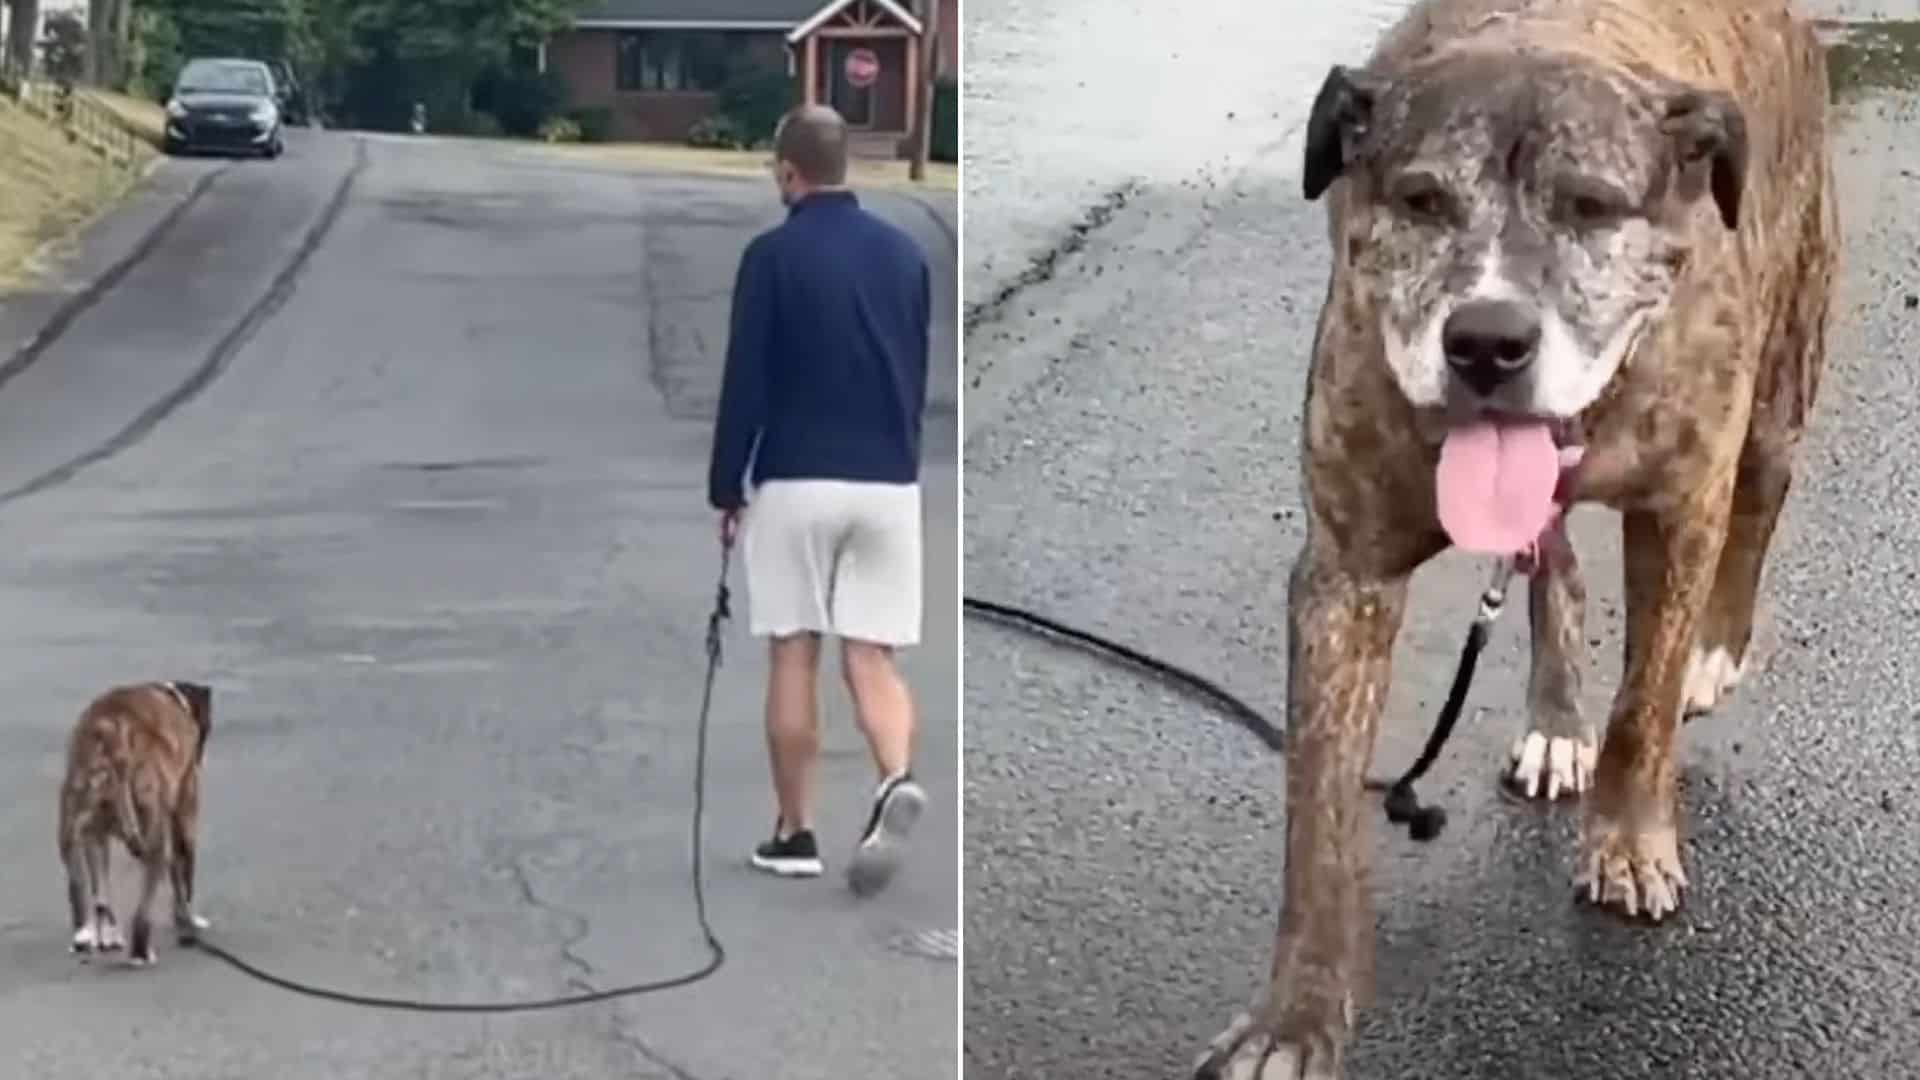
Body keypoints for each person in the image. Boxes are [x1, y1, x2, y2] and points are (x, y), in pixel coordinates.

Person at [707, 104, 932, 897]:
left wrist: (726, 486)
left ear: (787, 171)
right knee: (871, 654)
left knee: (793, 649)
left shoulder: (771, 258)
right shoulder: (906, 257)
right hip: (889, 483)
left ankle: (793, 831)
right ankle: (893, 778)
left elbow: (747, 384)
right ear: (848, 167)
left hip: (799, 476)